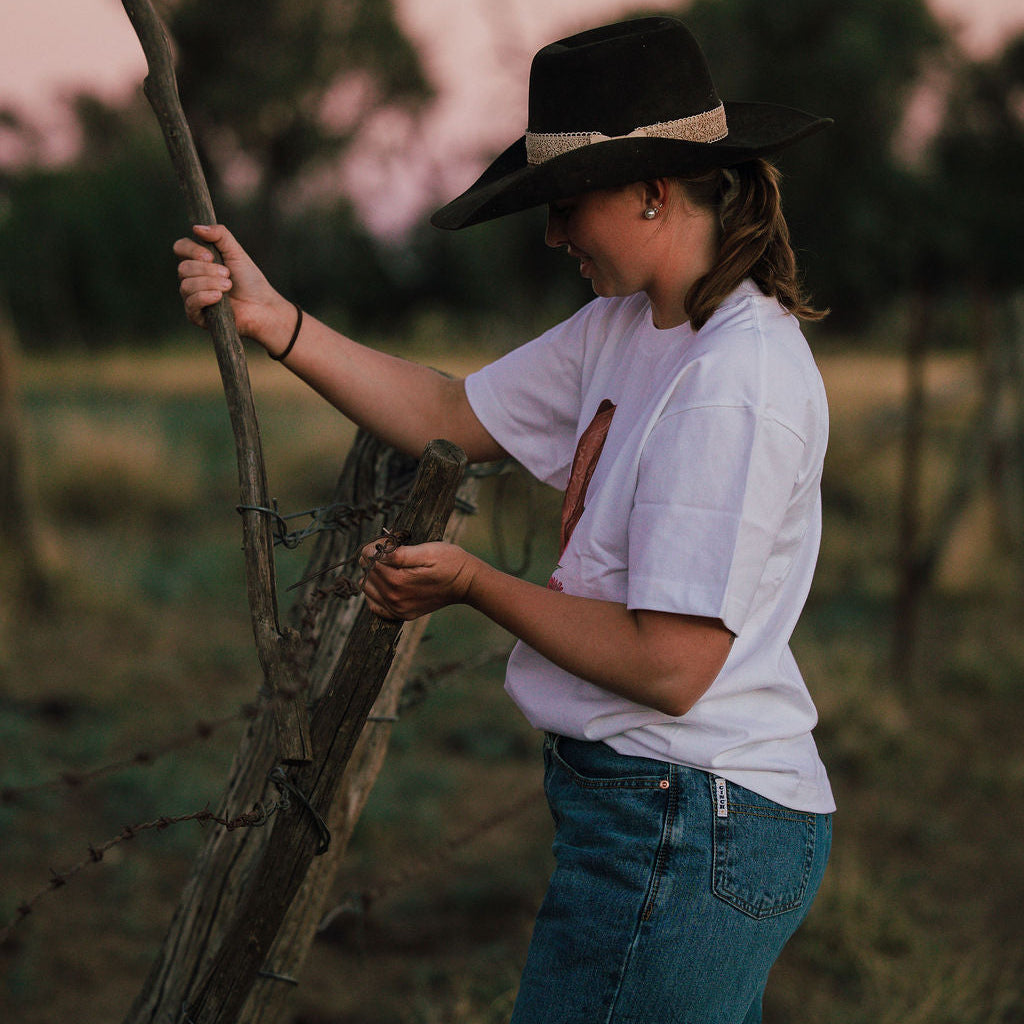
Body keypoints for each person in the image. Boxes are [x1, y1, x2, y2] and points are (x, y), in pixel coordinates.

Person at [175, 17, 835, 1024]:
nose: (553, 234)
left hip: (689, 821)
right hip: (659, 815)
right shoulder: (630, 325)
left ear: (652, 192)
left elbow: (671, 664)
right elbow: (452, 413)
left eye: (566, 205)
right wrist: (277, 321)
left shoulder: (731, 380)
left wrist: (474, 583)